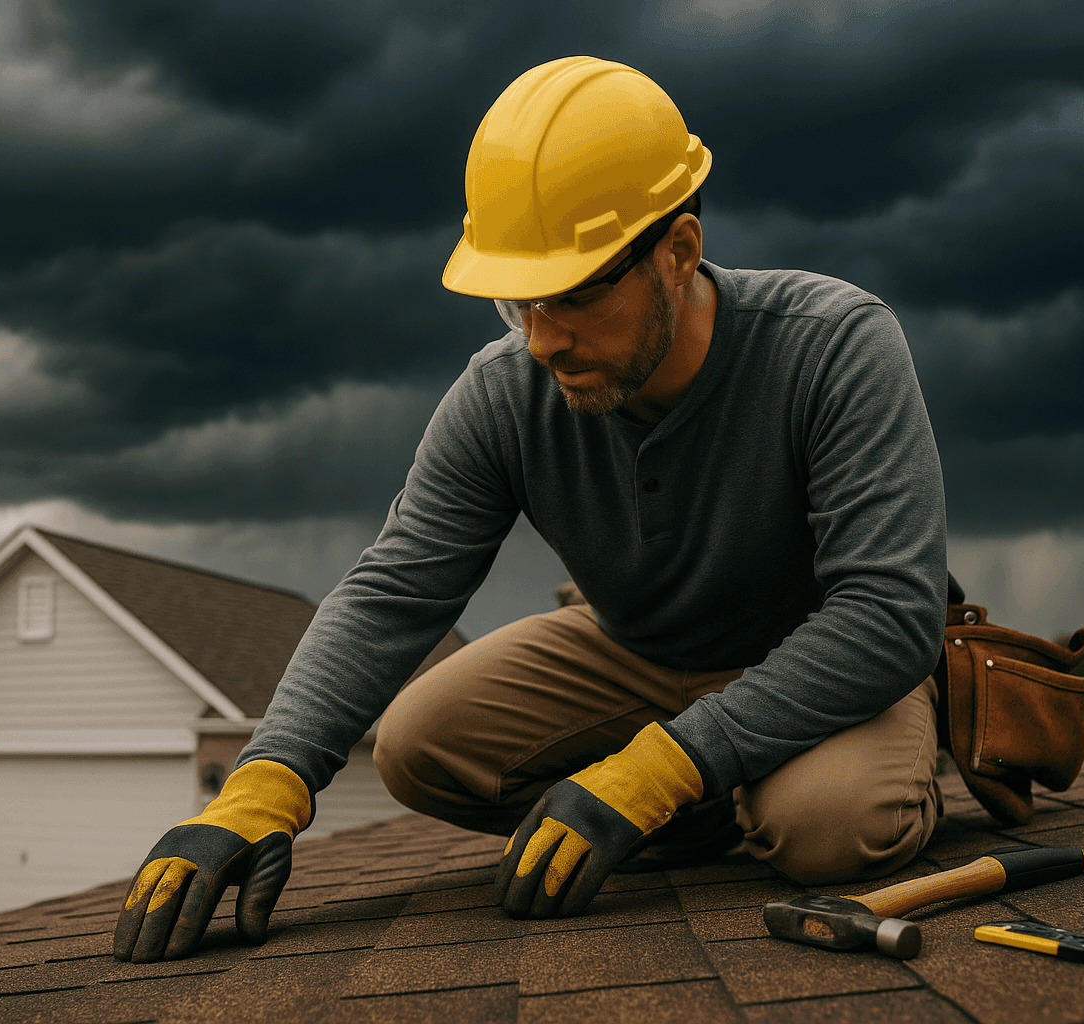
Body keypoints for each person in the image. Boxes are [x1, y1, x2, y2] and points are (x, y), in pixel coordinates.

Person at [114, 55, 948, 964]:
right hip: (637, 651)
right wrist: (262, 785)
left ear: (678, 252)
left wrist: (657, 768)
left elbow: (888, 612)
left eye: (579, 293)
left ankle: (768, 776)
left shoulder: (835, 346)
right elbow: (392, 592)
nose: (544, 338)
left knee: (830, 827)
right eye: (520, 299)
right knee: (416, 746)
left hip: (825, 659)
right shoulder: (505, 393)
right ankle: (704, 806)